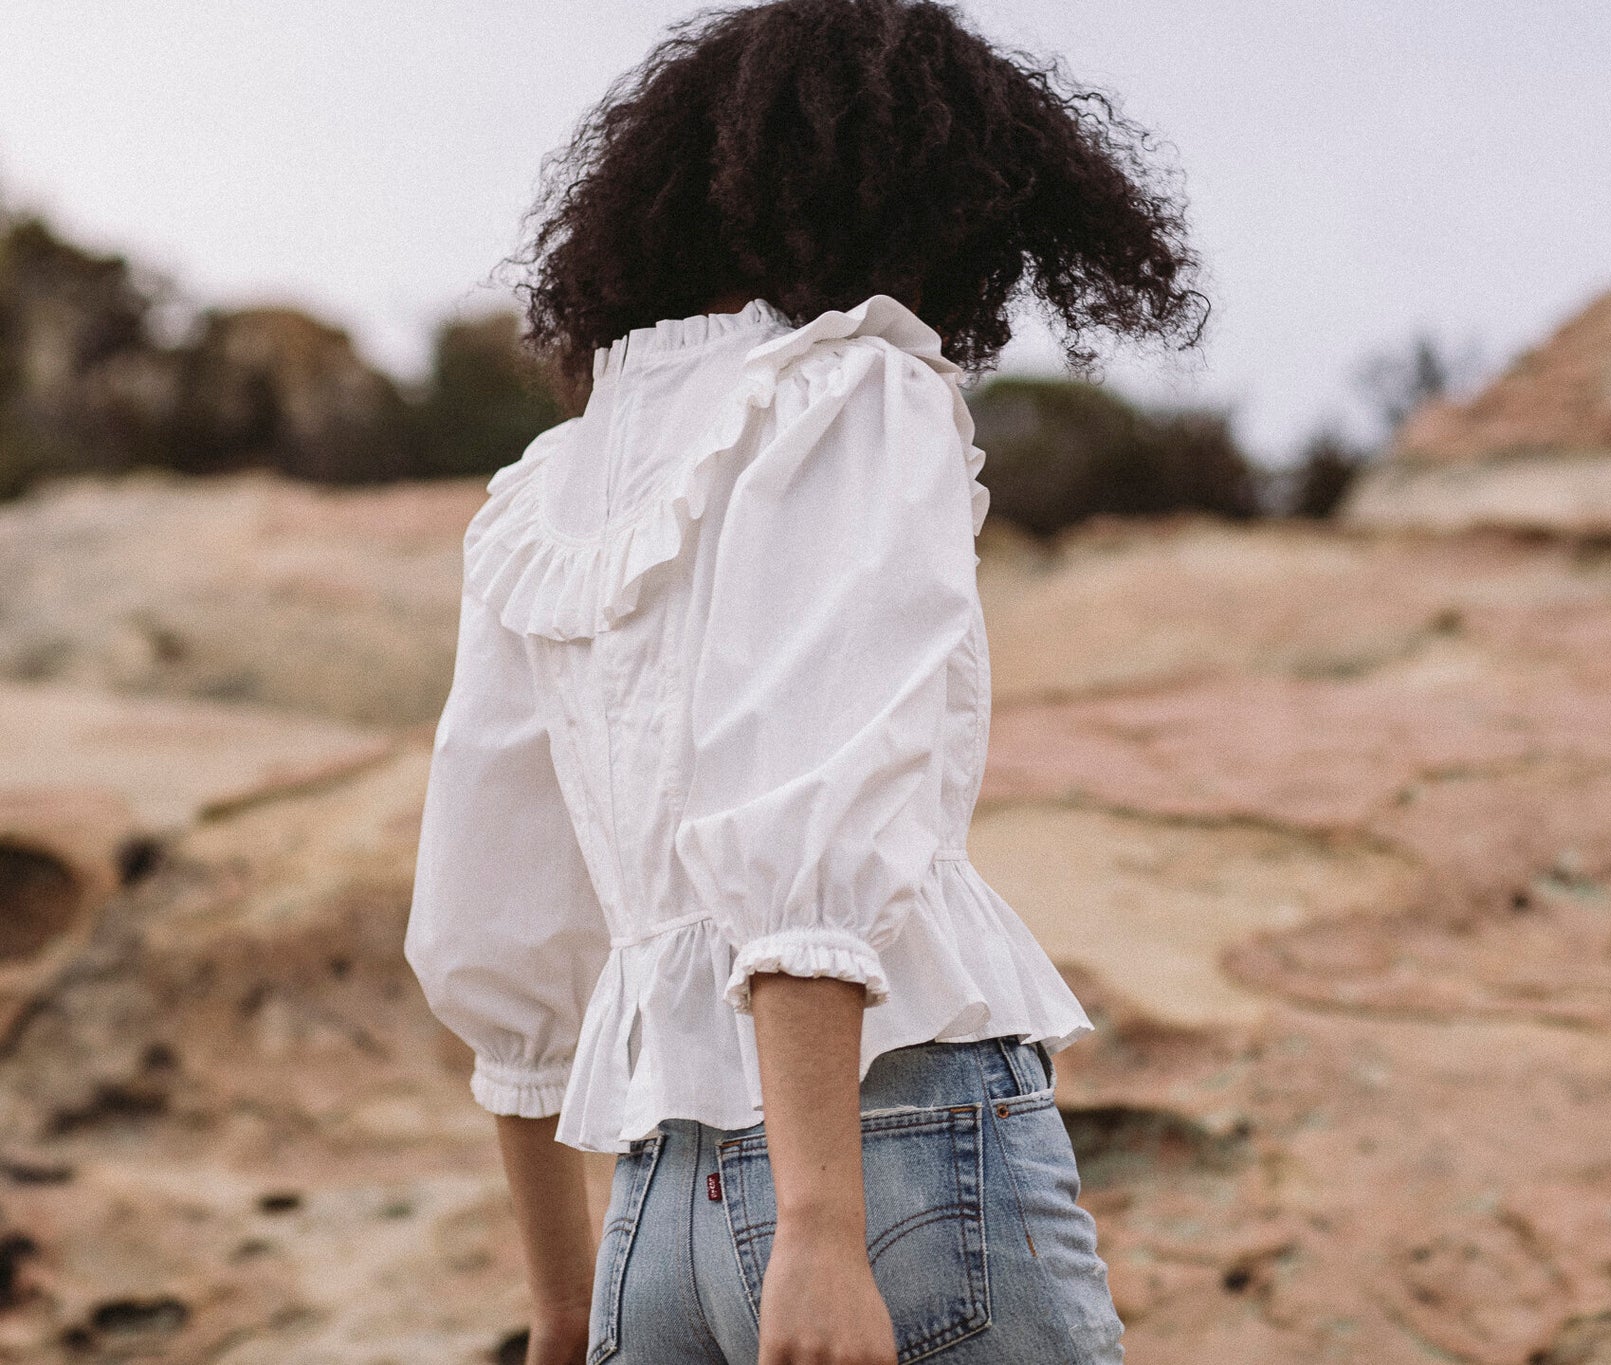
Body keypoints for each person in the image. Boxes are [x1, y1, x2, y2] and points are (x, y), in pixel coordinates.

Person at [403, 2, 1205, 1361]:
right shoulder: (854, 393)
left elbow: (498, 915)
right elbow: (810, 822)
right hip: (885, 1163)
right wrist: (824, 1226)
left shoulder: (550, 491)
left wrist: (559, 1298)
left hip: (653, 1217)